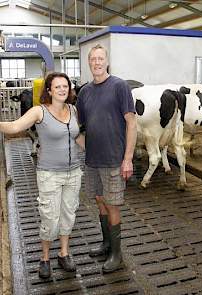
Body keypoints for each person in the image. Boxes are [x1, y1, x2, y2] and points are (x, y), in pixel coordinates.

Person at [0, 72, 84, 279]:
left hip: (74, 172)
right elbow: (14, 127)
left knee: (68, 214)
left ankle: (64, 253)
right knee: (49, 218)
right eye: (58, 87)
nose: (63, 90)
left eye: (66, 86)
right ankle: (44, 258)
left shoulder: (73, 110)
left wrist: (96, 152)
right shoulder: (40, 111)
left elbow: (78, 137)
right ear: (49, 90)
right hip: (49, 174)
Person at [76, 44, 137, 273]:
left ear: (107, 61)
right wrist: (82, 146)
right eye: (93, 59)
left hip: (114, 159)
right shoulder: (84, 92)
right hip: (93, 160)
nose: (97, 63)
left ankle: (117, 255)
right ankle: (106, 243)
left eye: (101, 58)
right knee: (100, 200)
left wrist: (128, 158)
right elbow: (80, 126)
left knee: (112, 205)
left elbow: (131, 123)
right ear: (89, 62)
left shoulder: (119, 86)